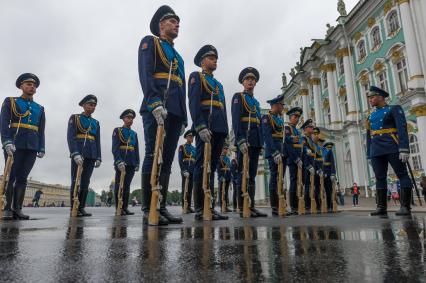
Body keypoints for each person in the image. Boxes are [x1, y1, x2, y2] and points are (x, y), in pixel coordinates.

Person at [138, 5, 187, 225]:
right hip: (157, 107)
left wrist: (184, 116)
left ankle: (162, 205)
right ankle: (149, 206)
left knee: (166, 160)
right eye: (172, 21)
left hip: (175, 111)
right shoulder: (151, 42)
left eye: (178, 22)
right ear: (161, 25)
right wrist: (154, 101)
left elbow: (182, 87)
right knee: (153, 154)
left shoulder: (179, 57)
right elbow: (146, 73)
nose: (177, 24)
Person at [189, 44, 228, 221]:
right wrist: (200, 126)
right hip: (206, 126)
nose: (215, 61)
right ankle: (199, 207)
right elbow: (194, 103)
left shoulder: (218, 84)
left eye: (215, 58)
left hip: (219, 128)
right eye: (211, 58)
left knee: (211, 166)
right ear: (203, 61)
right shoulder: (196, 77)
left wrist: (225, 131)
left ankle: (210, 206)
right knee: (201, 164)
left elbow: (223, 108)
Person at [1, 73, 45, 220]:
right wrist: (6, 141)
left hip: (32, 145)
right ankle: (6, 207)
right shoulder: (11, 101)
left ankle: (17, 209)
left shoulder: (40, 108)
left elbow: (41, 129)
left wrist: (41, 146)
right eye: (28, 84)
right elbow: (4, 122)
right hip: (15, 143)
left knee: (23, 177)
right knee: (10, 176)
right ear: (21, 86)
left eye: (34, 85)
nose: (32, 87)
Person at [366, 86, 412, 216]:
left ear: (380, 97)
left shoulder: (393, 109)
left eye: (372, 97)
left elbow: (402, 129)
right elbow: (368, 136)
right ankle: (381, 207)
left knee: (402, 174)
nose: (370, 100)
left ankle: (405, 207)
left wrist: (404, 149)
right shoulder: (370, 115)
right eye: (369, 97)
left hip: (392, 146)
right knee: (379, 177)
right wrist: (369, 154)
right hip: (376, 149)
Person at [231, 67, 267, 218]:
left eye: (253, 79)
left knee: (251, 174)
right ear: (243, 82)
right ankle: (242, 207)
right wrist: (240, 140)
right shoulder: (238, 97)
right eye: (247, 79)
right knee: (242, 173)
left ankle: (251, 206)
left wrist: (261, 142)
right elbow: (236, 120)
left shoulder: (256, 102)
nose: (250, 81)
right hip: (245, 139)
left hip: (255, 141)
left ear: (256, 82)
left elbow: (258, 122)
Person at [67, 94, 101, 217]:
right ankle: (73, 207)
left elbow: (97, 140)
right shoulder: (75, 118)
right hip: (79, 153)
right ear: (83, 105)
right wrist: (75, 153)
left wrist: (98, 156)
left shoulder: (96, 122)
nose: (92, 107)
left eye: (94, 105)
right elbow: (71, 137)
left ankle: (81, 207)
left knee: (86, 181)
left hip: (91, 154)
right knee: (76, 180)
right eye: (90, 105)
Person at [112, 109, 140, 216]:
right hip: (121, 161)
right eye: (128, 117)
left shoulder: (134, 133)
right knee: (119, 185)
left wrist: (137, 163)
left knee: (127, 185)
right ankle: (118, 207)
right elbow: (115, 148)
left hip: (131, 161)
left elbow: (136, 149)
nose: (130, 120)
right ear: (123, 119)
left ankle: (125, 207)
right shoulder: (117, 130)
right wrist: (118, 161)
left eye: (132, 118)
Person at [262, 94, 286, 216]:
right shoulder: (267, 118)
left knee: (280, 177)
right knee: (274, 177)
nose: (283, 107)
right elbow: (267, 136)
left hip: (280, 151)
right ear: (276, 105)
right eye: (282, 105)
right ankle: (275, 206)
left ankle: (281, 203)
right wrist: (274, 152)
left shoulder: (279, 119)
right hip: (273, 152)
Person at [284, 107, 303, 215]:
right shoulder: (288, 129)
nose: (297, 119)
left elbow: (299, 145)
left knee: (298, 181)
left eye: (298, 117)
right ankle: (293, 206)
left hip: (298, 159)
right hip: (292, 159)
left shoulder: (297, 130)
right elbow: (289, 146)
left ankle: (298, 204)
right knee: (293, 181)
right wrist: (296, 159)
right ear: (290, 117)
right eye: (295, 117)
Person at [300, 119, 316, 212]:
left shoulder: (310, 139)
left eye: (312, 127)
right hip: (306, 166)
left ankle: (310, 202)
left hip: (311, 165)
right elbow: (305, 153)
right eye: (310, 127)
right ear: (306, 129)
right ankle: (306, 204)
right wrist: (308, 166)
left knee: (311, 184)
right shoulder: (304, 138)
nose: (312, 128)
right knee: (306, 185)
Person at [178, 130, 196, 213]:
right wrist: (183, 170)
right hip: (186, 169)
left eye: (192, 137)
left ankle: (188, 206)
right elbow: (180, 160)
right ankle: (184, 206)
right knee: (185, 188)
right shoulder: (182, 147)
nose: (191, 138)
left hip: (192, 169)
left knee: (190, 188)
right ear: (186, 137)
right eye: (189, 136)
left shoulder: (194, 148)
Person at [217, 145, 232, 212]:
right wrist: (220, 177)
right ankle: (222, 206)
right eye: (225, 149)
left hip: (228, 176)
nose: (226, 150)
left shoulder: (228, 158)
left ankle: (226, 206)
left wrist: (230, 177)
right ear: (222, 149)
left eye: (226, 149)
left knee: (226, 192)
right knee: (221, 192)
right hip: (222, 176)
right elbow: (218, 169)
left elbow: (230, 168)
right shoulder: (219, 158)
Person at [323, 141, 337, 211]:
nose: (330, 148)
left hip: (328, 174)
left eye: (330, 147)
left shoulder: (330, 152)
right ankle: (325, 205)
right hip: (322, 173)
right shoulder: (322, 152)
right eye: (328, 147)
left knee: (329, 190)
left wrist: (333, 173)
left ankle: (330, 205)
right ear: (325, 147)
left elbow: (333, 163)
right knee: (324, 190)